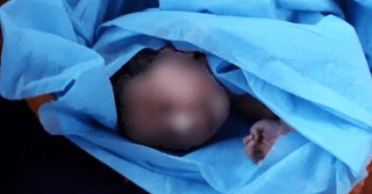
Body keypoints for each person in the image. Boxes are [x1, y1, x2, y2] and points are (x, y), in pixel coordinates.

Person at [111, 46, 292, 163]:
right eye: (171, 136)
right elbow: (302, 110)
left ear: (174, 52)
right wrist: (281, 131)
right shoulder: (248, 111)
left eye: (166, 106)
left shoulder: (222, 50)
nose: (184, 125)